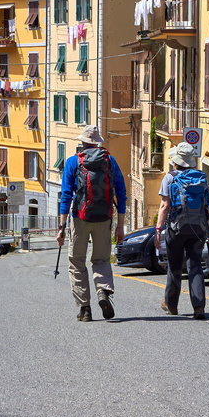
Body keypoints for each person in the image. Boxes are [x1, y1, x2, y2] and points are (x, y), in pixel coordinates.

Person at [56, 125, 127, 321]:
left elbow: (66, 196)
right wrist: (120, 225)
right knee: (101, 260)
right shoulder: (109, 161)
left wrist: (62, 227)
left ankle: (85, 309)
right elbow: (121, 193)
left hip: (80, 218)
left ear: (82, 142)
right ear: (97, 142)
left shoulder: (72, 162)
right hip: (104, 218)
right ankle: (102, 290)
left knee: (77, 262)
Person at [154, 142, 209, 320]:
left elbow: (164, 206)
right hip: (198, 229)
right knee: (195, 266)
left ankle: (171, 305)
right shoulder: (201, 177)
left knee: (174, 266)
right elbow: (207, 207)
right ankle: (199, 307)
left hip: (176, 229)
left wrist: (158, 229)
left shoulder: (170, 178)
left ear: (175, 161)